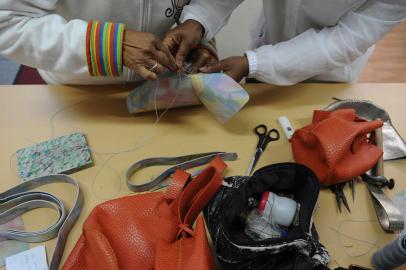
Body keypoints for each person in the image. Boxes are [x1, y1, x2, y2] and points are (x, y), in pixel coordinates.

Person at [0, 0, 240, 84]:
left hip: (168, 88)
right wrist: (111, 46)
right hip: (81, 89)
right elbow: (8, 23)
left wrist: (199, 21)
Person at [202, 0, 406, 85]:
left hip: (327, 76)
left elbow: (346, 40)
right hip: (265, 46)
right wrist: (201, 18)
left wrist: (256, 64)